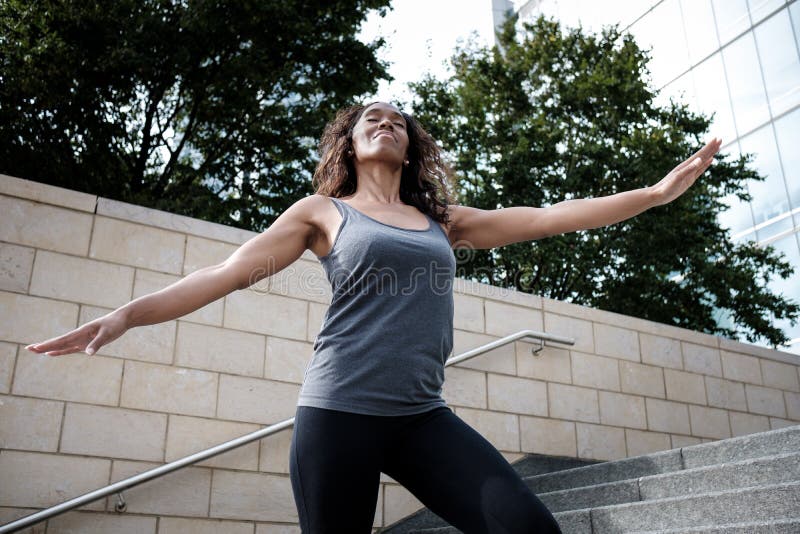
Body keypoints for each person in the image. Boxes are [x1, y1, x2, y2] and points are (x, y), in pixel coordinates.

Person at [25, 101, 721, 533]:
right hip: (338, 414)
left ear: (411, 146)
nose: (386, 123)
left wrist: (654, 194)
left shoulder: (442, 221)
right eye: (371, 119)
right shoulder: (321, 213)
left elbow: (545, 218)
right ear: (349, 145)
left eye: (398, 120)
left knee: (528, 527)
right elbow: (225, 274)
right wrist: (124, 316)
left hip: (423, 418)